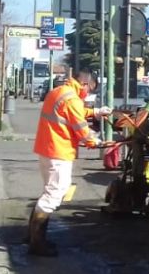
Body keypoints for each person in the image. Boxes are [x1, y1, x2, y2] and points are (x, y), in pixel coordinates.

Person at [28, 69, 111, 256]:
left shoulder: (59, 92)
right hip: (59, 151)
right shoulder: (72, 98)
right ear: (85, 84)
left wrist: (96, 112)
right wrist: (96, 142)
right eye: (90, 90)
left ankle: (32, 236)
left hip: (47, 148)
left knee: (49, 192)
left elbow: (72, 113)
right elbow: (81, 129)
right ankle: (37, 243)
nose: (88, 94)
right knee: (55, 194)